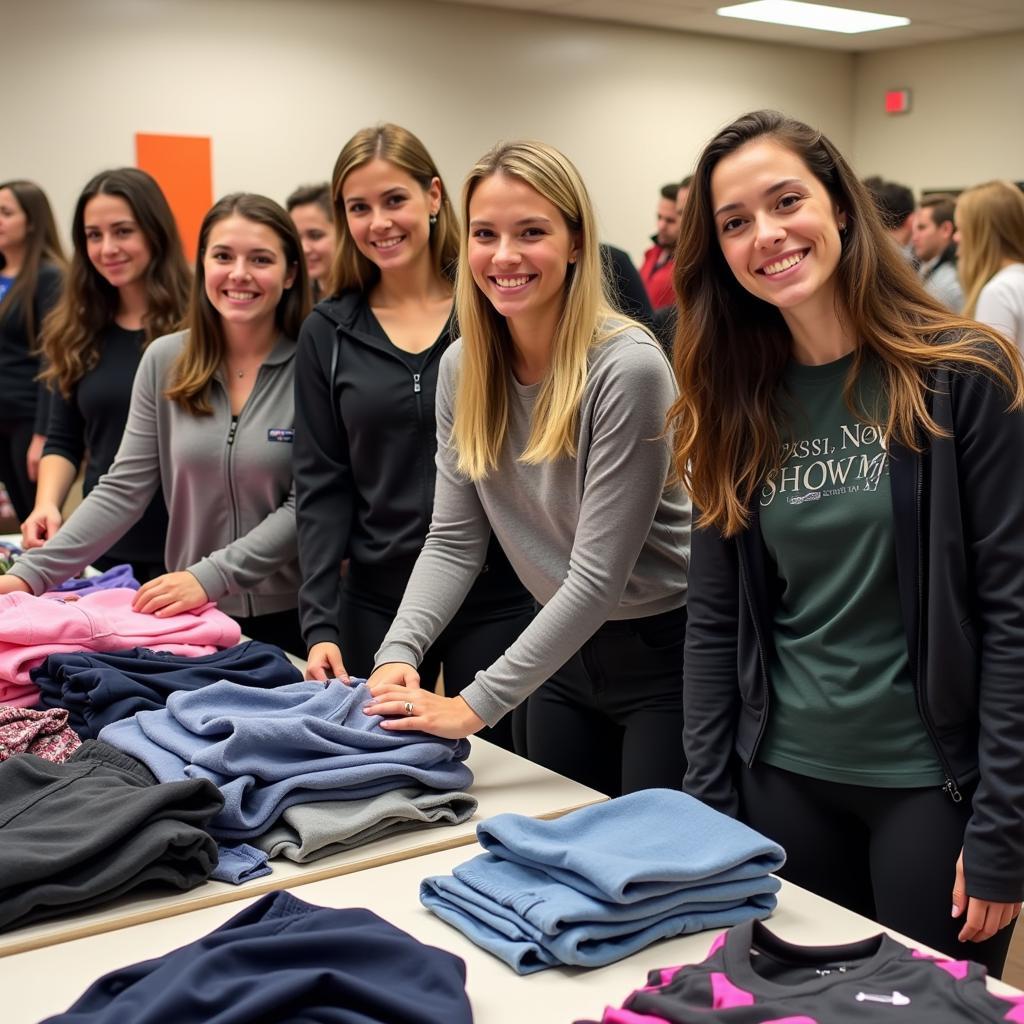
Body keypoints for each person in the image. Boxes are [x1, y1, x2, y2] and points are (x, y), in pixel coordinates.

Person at [670, 109, 1024, 975]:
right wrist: (706, 802)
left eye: (786, 200)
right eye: (735, 222)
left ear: (839, 206)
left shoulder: (962, 374)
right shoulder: (732, 399)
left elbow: (1014, 615)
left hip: (931, 789)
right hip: (781, 780)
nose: (768, 234)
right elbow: (715, 622)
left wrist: (1006, 824)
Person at [364, 140, 691, 797]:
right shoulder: (463, 368)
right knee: (546, 853)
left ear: (575, 244)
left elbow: (598, 578)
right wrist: (399, 653)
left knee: (645, 868)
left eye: (532, 232)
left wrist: (472, 706)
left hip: (665, 659)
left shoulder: (627, 367)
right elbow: (454, 540)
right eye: (485, 234)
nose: (505, 256)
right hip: (558, 653)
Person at [293, 123, 534, 752]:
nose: (379, 222)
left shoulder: (493, 303)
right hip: (376, 595)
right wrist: (319, 621)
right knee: (385, 772)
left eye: (394, 199)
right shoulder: (329, 331)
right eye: (359, 207)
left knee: (513, 777)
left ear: (433, 197)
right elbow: (320, 483)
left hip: (502, 592)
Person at [0, 193, 309, 655]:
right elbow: (123, 487)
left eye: (260, 259)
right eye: (223, 256)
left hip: (295, 613)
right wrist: (32, 572)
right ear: (202, 263)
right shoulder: (165, 360)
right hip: (191, 619)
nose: (239, 274)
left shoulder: (315, 366)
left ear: (289, 273)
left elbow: (305, 503)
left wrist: (207, 577)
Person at [21, 168, 190, 580]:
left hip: (191, 550)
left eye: (122, 231)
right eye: (94, 235)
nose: (107, 248)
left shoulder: (200, 322)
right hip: (108, 547)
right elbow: (64, 438)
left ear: (154, 232)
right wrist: (47, 504)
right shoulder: (76, 327)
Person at [0, 180, 65, 521]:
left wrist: (45, 434)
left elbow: (53, 358)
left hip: (28, 419)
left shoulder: (49, 277)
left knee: (37, 519)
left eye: (6, 212)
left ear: (32, 221)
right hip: (2, 417)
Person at [956, 180, 1024, 351]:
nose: (956, 237)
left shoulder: (999, 291)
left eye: (961, 229)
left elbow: (994, 374)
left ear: (981, 234)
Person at [911, 194, 963, 311]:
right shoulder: (923, 268)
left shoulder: (952, 282)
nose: (914, 237)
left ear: (946, 230)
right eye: (914, 230)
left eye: (922, 228)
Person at [286, 183, 337, 301]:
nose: (304, 249)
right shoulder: (297, 299)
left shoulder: (374, 298)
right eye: (297, 238)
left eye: (315, 236)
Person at [638, 182, 680, 310]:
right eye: (659, 217)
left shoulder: (690, 267)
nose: (661, 226)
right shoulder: (651, 254)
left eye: (670, 220)